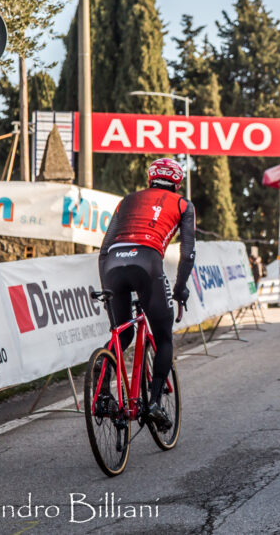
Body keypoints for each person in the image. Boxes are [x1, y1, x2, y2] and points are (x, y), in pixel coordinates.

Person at [98, 157, 195, 431]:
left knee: (123, 334)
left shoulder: (126, 200)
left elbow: (104, 251)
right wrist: (180, 288)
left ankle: (103, 390)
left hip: (113, 263)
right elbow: (187, 253)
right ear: (177, 182)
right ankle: (153, 404)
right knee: (164, 337)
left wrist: (108, 296)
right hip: (147, 262)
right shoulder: (183, 204)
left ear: (150, 179)